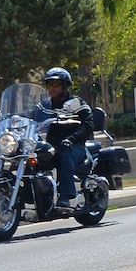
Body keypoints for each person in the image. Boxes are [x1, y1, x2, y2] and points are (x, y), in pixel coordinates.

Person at [36, 66, 93, 210]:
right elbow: (29, 115)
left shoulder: (76, 103)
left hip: (75, 146)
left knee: (64, 152)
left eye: (56, 84)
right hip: (51, 146)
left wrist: (71, 139)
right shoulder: (44, 106)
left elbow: (88, 125)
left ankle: (65, 195)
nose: (52, 88)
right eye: (50, 84)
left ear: (65, 86)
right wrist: (12, 117)